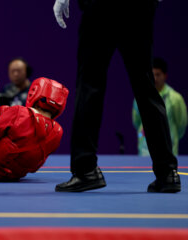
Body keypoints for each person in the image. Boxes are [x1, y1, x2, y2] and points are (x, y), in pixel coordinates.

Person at [53, 0, 181, 193]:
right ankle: (167, 173)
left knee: (90, 84)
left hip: (101, 7)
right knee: (146, 87)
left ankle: (86, 169)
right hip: (139, 7)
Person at [133, 57, 187, 156]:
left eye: (158, 74)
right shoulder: (141, 96)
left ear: (165, 75)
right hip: (144, 154)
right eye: (152, 74)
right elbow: (137, 121)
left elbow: (181, 126)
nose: (155, 78)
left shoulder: (175, 98)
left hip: (169, 153)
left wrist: (171, 138)